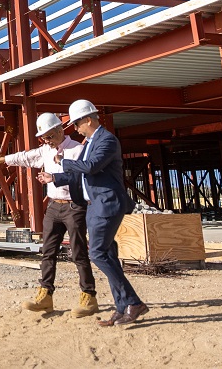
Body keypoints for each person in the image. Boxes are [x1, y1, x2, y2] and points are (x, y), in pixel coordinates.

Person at [40, 100, 148, 327]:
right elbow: (82, 175)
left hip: (107, 204)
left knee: (97, 254)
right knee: (107, 254)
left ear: (88, 119)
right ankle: (122, 308)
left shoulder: (106, 140)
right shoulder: (90, 142)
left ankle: (133, 302)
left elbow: (91, 167)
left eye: (77, 123)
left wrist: (64, 162)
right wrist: (55, 178)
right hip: (94, 205)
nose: (76, 128)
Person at [0, 112, 98, 317]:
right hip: (54, 207)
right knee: (48, 252)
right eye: (44, 138)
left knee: (79, 252)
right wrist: (3, 159)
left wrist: (53, 178)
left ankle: (89, 296)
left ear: (60, 130)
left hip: (74, 207)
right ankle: (45, 295)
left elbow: (81, 176)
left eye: (49, 136)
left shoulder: (77, 150)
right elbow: (27, 156)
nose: (47, 141)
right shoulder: (46, 150)